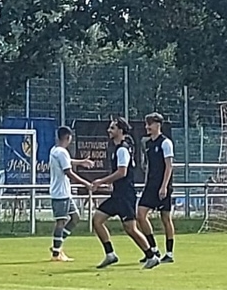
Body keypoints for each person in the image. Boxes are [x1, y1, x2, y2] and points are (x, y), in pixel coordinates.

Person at [90, 117, 158, 270]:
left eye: (112, 128)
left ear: (120, 131)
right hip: (117, 195)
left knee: (130, 229)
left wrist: (101, 181)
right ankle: (110, 254)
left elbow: (122, 172)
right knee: (97, 220)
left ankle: (151, 256)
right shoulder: (117, 149)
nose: (109, 130)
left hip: (125, 196)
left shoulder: (122, 149)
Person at [48, 126, 94, 262]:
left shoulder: (55, 150)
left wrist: (82, 162)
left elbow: (67, 161)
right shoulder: (62, 152)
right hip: (60, 193)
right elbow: (69, 172)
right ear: (68, 137)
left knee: (75, 218)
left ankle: (57, 245)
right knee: (61, 222)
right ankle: (56, 253)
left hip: (65, 193)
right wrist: (86, 184)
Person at [137, 112, 178, 263]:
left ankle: (169, 253)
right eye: (146, 124)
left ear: (158, 125)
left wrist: (164, 186)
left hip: (162, 185)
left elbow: (169, 166)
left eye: (150, 124)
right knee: (140, 214)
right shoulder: (148, 144)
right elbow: (149, 166)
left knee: (165, 218)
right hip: (151, 185)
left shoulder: (165, 143)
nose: (147, 127)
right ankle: (153, 249)